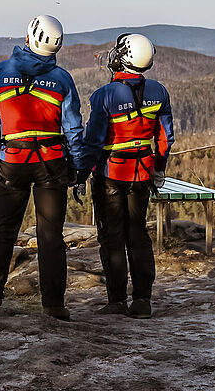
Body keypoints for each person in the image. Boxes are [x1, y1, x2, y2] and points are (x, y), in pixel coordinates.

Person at [0, 15, 85, 320]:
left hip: (12, 159)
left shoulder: (1, 73)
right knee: (50, 235)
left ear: (28, 38)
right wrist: (77, 168)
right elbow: (73, 128)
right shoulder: (62, 79)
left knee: (2, 231)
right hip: (51, 162)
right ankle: (53, 305)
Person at [75, 33, 174, 319]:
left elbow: (93, 142)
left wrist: (81, 173)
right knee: (138, 234)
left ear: (122, 57)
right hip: (142, 174)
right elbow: (165, 138)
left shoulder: (104, 96)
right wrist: (159, 168)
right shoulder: (159, 92)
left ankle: (116, 300)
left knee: (112, 237)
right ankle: (143, 300)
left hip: (110, 174)